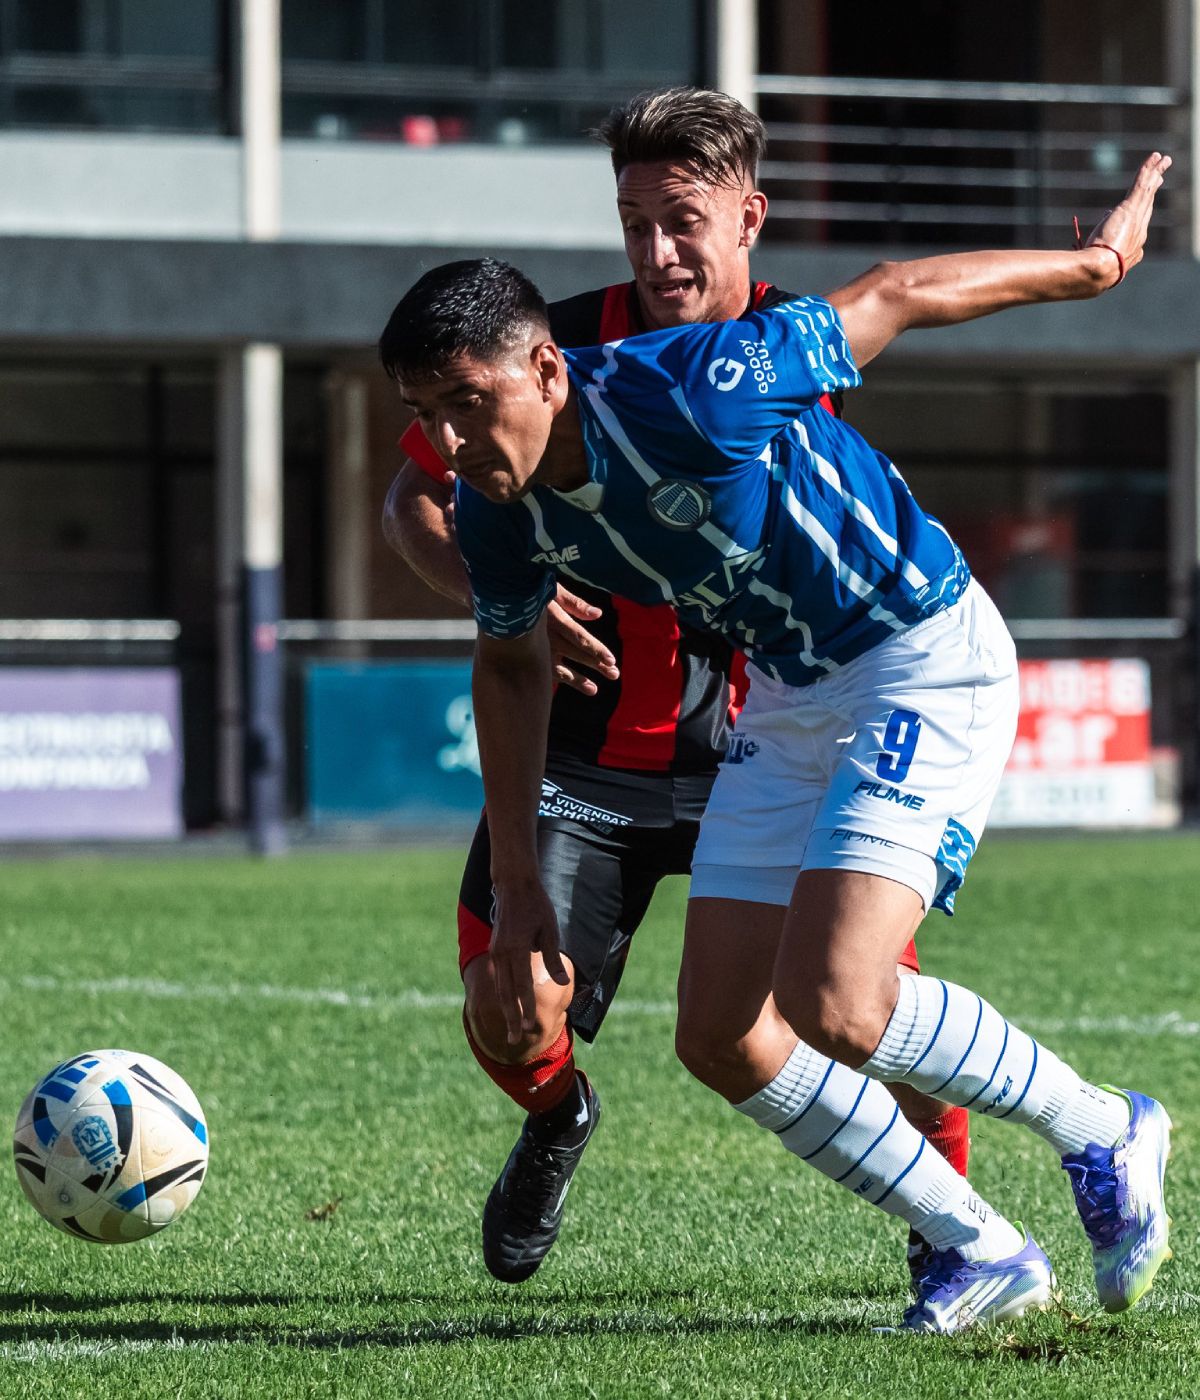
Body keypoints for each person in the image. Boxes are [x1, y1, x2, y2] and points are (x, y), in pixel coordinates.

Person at [379, 149, 1174, 1333]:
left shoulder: (700, 383)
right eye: (426, 414)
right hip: (796, 690)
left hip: (921, 650)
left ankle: (1105, 1127)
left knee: (842, 1001)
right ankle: (980, 1247)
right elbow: (507, 664)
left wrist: (1095, 266)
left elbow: (894, 292)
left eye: (466, 401)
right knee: (722, 1033)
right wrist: (516, 887)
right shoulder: (497, 510)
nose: (450, 440)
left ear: (547, 369)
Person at [383, 88, 969, 1288]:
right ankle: (556, 1117)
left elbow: (905, 297)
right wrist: (498, 591)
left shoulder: (790, 348)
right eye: (633, 221)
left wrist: (1098, 261)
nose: (655, 253)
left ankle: (947, 1222)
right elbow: (413, 500)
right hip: (589, 748)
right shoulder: (548, 353)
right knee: (509, 1003)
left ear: (746, 217)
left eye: (681, 222)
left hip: (765, 739)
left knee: (870, 999)